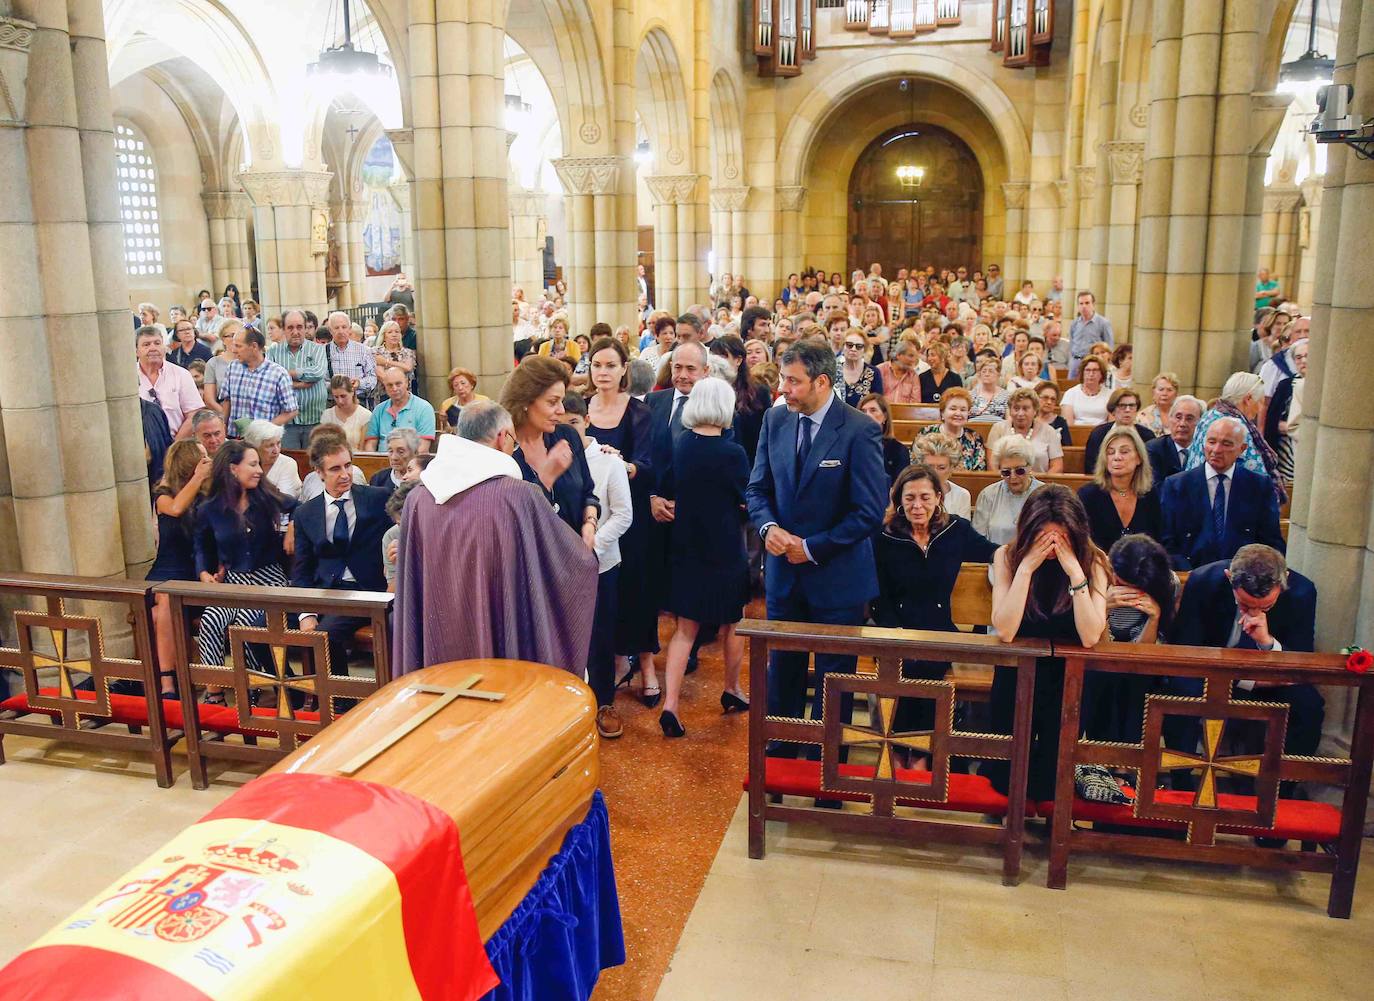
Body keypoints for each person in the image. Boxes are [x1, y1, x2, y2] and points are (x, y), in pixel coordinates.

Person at [392, 401, 599, 676]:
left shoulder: (417, 499)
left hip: (439, 642)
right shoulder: (518, 497)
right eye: (512, 439)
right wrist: (588, 544)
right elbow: (568, 562)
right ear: (502, 438)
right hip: (501, 645)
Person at [746, 339, 886, 737]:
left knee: (834, 685)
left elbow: (868, 513)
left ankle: (830, 780)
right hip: (783, 579)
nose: (783, 389)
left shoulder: (859, 430)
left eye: (793, 381)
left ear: (822, 381)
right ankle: (783, 757)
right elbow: (757, 489)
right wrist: (768, 529)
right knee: (782, 676)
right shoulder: (775, 421)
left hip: (837, 579)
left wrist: (809, 548)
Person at [986, 485, 1109, 799]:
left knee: (1054, 775)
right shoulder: (1007, 557)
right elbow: (1006, 629)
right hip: (1019, 672)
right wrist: (1026, 568)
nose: (1052, 545)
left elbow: (1091, 634)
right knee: (1008, 774)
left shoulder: (1093, 561)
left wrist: (1074, 572)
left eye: (1061, 537)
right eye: (1044, 537)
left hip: (1069, 678)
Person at [1166, 545, 1320, 769]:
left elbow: (1302, 658)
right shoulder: (1204, 581)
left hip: (1272, 680)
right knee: (1181, 692)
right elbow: (1186, 647)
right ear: (1229, 577)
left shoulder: (1302, 592)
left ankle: (1284, 787)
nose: (1254, 614)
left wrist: (1267, 642)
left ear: (1284, 580)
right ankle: (1181, 780)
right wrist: (1243, 680)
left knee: (1309, 705)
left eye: (1266, 607)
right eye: (1245, 605)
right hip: (1210, 673)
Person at [656, 379, 751, 738]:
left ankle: (671, 706)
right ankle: (732, 689)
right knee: (733, 622)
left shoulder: (680, 444)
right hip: (725, 546)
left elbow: (666, 485)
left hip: (686, 543)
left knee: (684, 629)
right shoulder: (732, 453)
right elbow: (745, 497)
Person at [874, 464, 996, 731]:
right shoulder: (884, 537)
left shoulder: (956, 530)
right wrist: (896, 634)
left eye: (925, 497)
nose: (918, 505)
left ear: (939, 498)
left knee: (931, 663)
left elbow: (993, 553)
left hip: (940, 631)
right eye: (910, 498)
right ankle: (902, 749)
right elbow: (879, 597)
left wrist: (1028, 554)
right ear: (899, 502)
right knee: (905, 665)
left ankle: (918, 753)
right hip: (897, 631)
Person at [192, 440, 297, 689]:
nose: (260, 470)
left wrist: (292, 526)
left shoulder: (267, 498)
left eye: (259, 464)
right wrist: (203, 572)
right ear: (232, 469)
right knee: (211, 621)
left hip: (268, 579)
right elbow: (201, 545)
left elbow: (300, 508)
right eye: (253, 464)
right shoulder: (210, 509)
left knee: (246, 625)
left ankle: (249, 689)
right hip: (234, 582)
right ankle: (214, 690)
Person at [559, 393, 633, 739]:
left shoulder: (607, 461)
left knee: (600, 637)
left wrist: (589, 545)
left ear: (586, 420)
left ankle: (604, 702)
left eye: (573, 422)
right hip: (559, 564)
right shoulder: (551, 459)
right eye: (561, 423)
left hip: (601, 563)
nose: (567, 429)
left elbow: (622, 514)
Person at [291, 432, 392, 678]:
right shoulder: (306, 513)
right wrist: (306, 613)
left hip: (366, 591)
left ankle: (340, 704)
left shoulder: (377, 499)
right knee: (259, 626)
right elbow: (302, 569)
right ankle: (292, 692)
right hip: (325, 592)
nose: (345, 474)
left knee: (324, 637)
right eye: (335, 469)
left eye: (348, 465)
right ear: (319, 472)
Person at [1079, 534, 1179, 743]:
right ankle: (1103, 759)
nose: (1125, 590)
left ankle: (1128, 764)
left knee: (1138, 681)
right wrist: (1101, 608)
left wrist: (1154, 617)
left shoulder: (1167, 583)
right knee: (1103, 678)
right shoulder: (1095, 576)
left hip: (1140, 662)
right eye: (1121, 582)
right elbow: (1102, 647)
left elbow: (1144, 653)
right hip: (1097, 658)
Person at [1160, 416, 1285, 569]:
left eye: (1227, 444)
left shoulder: (1258, 487)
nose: (1217, 450)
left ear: (1242, 449)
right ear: (1203, 443)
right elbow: (1166, 541)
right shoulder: (1177, 485)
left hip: (1243, 577)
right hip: (1191, 575)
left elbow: (1271, 542)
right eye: (1212, 442)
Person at [500, 355, 599, 542]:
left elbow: (588, 492)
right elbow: (511, 521)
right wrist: (546, 478)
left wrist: (590, 523)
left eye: (561, 401)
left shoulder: (566, 435)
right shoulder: (504, 451)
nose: (561, 410)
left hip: (576, 556)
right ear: (526, 401)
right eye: (552, 402)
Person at [147, 440, 212, 694]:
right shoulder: (163, 495)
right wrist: (197, 479)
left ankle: (170, 679)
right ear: (190, 463)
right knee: (164, 600)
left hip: (192, 573)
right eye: (203, 457)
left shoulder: (206, 497)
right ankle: (172, 678)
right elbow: (175, 509)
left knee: (159, 612)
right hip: (164, 571)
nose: (208, 461)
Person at [1185, 371, 1287, 504]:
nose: (1259, 409)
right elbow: (1253, 473)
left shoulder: (1210, 415)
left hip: (1196, 492)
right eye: (1260, 402)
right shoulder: (1235, 427)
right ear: (1248, 399)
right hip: (1222, 500)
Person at [1078, 425, 1161, 551]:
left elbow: (1158, 541)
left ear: (1139, 458)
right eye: (1110, 452)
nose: (1117, 457)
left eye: (1124, 451)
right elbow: (1081, 542)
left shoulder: (1150, 494)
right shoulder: (1087, 496)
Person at [265, 310, 329, 449]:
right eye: (290, 327)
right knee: (291, 462)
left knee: (314, 464)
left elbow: (317, 372)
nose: (295, 332)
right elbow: (271, 379)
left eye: (299, 327)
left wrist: (285, 375)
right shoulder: (272, 352)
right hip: (287, 423)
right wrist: (302, 383)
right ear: (283, 329)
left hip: (315, 420)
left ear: (305, 328)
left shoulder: (317, 350)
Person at [219, 324, 298, 432]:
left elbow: (291, 411)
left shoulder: (278, 374)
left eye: (238, 346)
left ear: (254, 346)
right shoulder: (233, 367)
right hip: (234, 438)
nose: (233, 350)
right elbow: (227, 400)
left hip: (263, 442)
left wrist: (265, 429)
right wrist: (223, 425)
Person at [973, 437, 1045, 545]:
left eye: (1019, 471)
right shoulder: (988, 495)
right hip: (995, 558)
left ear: (1030, 467)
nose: (1013, 477)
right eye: (1006, 472)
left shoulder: (1046, 495)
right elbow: (978, 541)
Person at [137, 325, 203, 440]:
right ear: (136, 351)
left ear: (164, 347)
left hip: (177, 444)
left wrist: (173, 449)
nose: (153, 348)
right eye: (146, 344)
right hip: (140, 447)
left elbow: (193, 414)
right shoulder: (127, 379)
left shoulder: (181, 374)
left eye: (157, 343)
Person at [987, 387, 1063, 474]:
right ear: (1010, 410)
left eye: (1025, 408)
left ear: (1035, 410)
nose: (1020, 413)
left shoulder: (1049, 431)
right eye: (1016, 408)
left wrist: (1041, 482)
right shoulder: (998, 428)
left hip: (1040, 484)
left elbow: (1057, 466)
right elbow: (991, 464)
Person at [363, 366, 436, 453]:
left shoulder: (424, 408)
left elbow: (423, 448)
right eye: (389, 385)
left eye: (398, 384)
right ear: (384, 387)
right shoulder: (379, 410)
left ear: (407, 383)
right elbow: (370, 444)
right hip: (381, 463)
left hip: (411, 463)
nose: (394, 388)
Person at [1263, 337, 1307, 481]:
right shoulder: (1285, 385)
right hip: (1285, 452)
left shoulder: (1324, 386)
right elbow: (1271, 420)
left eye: (1307, 356)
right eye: (1298, 357)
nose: (1303, 361)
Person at [1082, 387, 1156, 472]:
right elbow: (1091, 467)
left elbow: (1151, 468)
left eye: (1132, 406)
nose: (1128, 410)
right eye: (1122, 406)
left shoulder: (1147, 435)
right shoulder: (1098, 434)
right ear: (1113, 410)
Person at [915, 388, 986, 470]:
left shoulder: (975, 438)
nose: (958, 413)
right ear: (942, 412)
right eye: (953, 409)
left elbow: (980, 471)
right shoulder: (926, 433)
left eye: (963, 410)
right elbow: (916, 466)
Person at [912, 432, 972, 519]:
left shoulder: (961, 495)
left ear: (952, 468)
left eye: (941, 467)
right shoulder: (908, 491)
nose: (934, 473)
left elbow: (963, 531)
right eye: (929, 467)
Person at [1146, 395, 1203, 485]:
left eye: (1189, 418)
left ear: (1200, 422)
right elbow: (1156, 489)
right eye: (1178, 417)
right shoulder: (1154, 449)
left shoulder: (1204, 451)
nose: (1182, 424)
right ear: (1170, 419)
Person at [858, 394, 912, 486]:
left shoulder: (898, 450)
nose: (867, 415)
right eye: (863, 411)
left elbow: (900, 485)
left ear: (885, 416)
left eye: (873, 410)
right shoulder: (851, 446)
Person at [242, 419, 302, 500]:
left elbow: (282, 501)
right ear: (255, 447)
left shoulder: (287, 464)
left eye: (278, 443)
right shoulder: (243, 463)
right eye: (270, 446)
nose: (276, 450)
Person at [325, 311, 377, 402]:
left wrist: (359, 383)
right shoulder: (322, 352)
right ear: (330, 330)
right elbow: (318, 381)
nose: (341, 331)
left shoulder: (364, 350)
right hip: (333, 402)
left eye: (344, 327)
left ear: (350, 329)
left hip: (357, 400)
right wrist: (335, 386)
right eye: (336, 328)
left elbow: (373, 378)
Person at [319, 374, 373, 451]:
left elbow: (363, 449)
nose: (340, 401)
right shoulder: (327, 415)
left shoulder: (365, 415)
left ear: (352, 392)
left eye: (343, 396)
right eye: (336, 397)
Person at [1067, 290, 1113, 378]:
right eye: (1081, 303)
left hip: (1093, 363)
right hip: (1076, 362)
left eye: (1087, 303)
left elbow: (1109, 346)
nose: (1084, 306)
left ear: (1093, 304)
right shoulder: (1074, 323)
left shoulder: (1103, 323)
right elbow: (1072, 343)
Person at [1060, 355, 1110, 426]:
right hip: (1077, 434)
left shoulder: (1110, 395)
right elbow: (1068, 424)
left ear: (1101, 373)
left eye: (1095, 370)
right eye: (1087, 370)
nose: (1091, 374)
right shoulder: (1071, 393)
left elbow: (1112, 425)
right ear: (1082, 373)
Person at [876, 338, 921, 404]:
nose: (914, 360)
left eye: (915, 357)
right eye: (910, 356)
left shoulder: (913, 376)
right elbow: (874, 397)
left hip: (905, 413)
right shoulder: (880, 370)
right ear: (898, 355)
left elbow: (915, 403)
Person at [918, 341, 962, 405]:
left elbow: (959, 400)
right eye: (928, 355)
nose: (929, 358)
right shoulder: (922, 377)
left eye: (933, 355)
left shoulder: (955, 378)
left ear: (943, 357)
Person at [1033, 380, 1072, 447]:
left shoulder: (1061, 422)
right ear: (1036, 398)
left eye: (1053, 399)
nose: (1049, 402)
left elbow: (1067, 448)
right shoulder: (1029, 420)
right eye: (1045, 398)